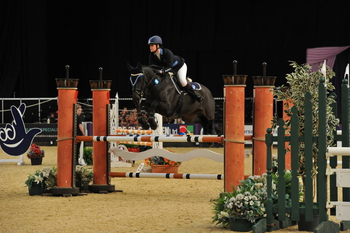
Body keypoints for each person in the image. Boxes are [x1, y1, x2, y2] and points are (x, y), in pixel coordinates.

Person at [148, 35, 203, 102]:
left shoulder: (167, 52)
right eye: (150, 45)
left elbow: (169, 67)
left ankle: (196, 95)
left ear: (158, 45)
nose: (150, 47)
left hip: (179, 66)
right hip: (168, 69)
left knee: (182, 81)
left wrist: (161, 71)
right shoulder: (152, 56)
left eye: (152, 45)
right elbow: (151, 67)